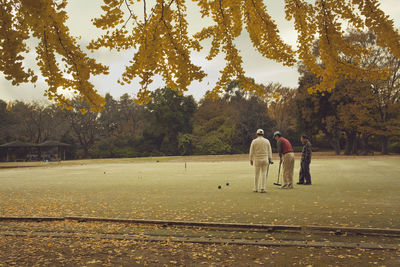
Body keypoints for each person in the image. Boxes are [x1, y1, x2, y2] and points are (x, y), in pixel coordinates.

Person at [249, 129, 273, 193]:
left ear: (256, 134)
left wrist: (251, 159)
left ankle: (255, 188)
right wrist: (270, 159)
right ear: (263, 134)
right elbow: (269, 151)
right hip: (265, 159)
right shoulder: (267, 141)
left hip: (257, 159)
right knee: (264, 174)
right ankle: (263, 188)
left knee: (256, 174)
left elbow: (251, 151)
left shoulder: (254, 141)